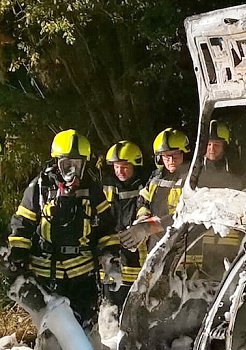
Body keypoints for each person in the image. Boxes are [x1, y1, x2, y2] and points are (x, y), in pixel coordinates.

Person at [6, 129, 120, 328]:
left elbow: (106, 228)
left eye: (77, 164)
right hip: (46, 274)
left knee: (85, 326)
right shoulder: (39, 189)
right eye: (67, 164)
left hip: (82, 276)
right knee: (51, 329)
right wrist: (18, 253)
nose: (72, 171)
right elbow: (22, 224)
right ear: (56, 163)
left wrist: (110, 258)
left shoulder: (92, 190)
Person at [119, 128, 190, 252]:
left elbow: (188, 214)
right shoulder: (155, 178)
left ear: (184, 153)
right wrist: (142, 219)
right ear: (159, 158)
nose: (171, 160)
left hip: (185, 247)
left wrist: (149, 227)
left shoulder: (192, 179)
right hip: (157, 245)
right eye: (166, 156)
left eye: (175, 155)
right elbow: (143, 202)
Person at [101, 140, 147, 306]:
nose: (120, 171)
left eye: (125, 166)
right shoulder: (106, 187)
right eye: (116, 166)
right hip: (111, 255)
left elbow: (145, 209)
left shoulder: (143, 186)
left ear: (135, 165)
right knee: (109, 303)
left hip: (136, 255)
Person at [198, 119, 245, 189]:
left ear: (224, 146)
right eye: (208, 144)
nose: (212, 149)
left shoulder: (235, 169)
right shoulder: (195, 169)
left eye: (216, 145)